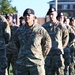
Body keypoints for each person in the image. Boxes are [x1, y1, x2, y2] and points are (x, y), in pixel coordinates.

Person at [14, 8, 52, 75]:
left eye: (29, 15)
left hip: (36, 64)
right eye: (25, 15)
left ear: (33, 17)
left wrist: (40, 56)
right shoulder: (19, 30)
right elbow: (16, 44)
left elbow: (47, 44)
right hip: (22, 64)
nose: (27, 17)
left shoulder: (40, 30)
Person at [42, 7, 69, 75]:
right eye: (50, 15)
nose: (51, 16)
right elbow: (42, 39)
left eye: (52, 14)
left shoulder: (61, 26)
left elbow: (65, 38)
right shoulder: (44, 26)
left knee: (60, 72)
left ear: (56, 14)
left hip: (58, 54)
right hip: (48, 55)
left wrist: (61, 47)